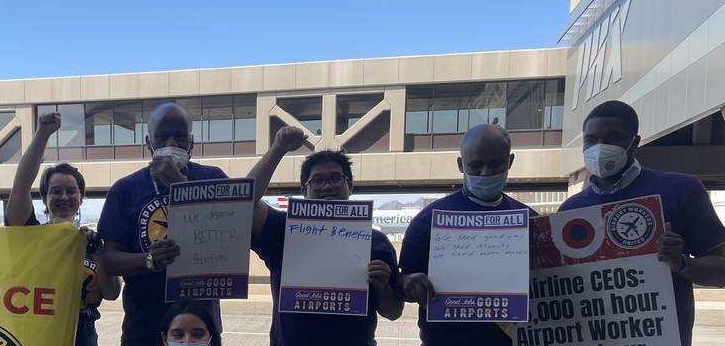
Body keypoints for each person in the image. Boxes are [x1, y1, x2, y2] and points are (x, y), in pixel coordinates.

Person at [560, 100, 725, 346]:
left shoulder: (682, 191)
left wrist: (680, 263)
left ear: (634, 143)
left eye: (612, 138)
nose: (599, 147)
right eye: (590, 140)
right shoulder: (570, 211)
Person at [247, 126, 403, 345]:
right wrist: (277, 149)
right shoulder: (283, 230)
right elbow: (245, 202)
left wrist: (383, 286)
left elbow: (393, 311)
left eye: (335, 179)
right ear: (304, 190)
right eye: (317, 181)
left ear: (350, 185)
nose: (327, 186)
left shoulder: (376, 242)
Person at [100, 102, 228, 346]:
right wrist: (148, 260)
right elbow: (110, 259)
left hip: (200, 326)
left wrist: (179, 186)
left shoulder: (213, 179)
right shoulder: (125, 189)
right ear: (149, 143)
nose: (171, 144)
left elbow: (228, 239)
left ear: (191, 143)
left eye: (179, 137)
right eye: (162, 137)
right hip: (144, 325)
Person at [398, 124, 537, 345]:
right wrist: (407, 282)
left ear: (509, 161)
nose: (485, 173)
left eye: (495, 164)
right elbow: (401, 285)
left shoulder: (532, 221)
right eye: (475, 165)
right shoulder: (428, 222)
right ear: (461, 165)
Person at [4, 111, 121, 346]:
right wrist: (42, 134)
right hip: (39, 331)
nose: (64, 197)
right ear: (45, 198)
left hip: (83, 334)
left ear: (82, 196)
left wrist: (99, 254)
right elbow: (20, 186)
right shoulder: (31, 236)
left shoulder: (92, 242)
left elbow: (111, 293)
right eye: (56, 191)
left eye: (71, 191)